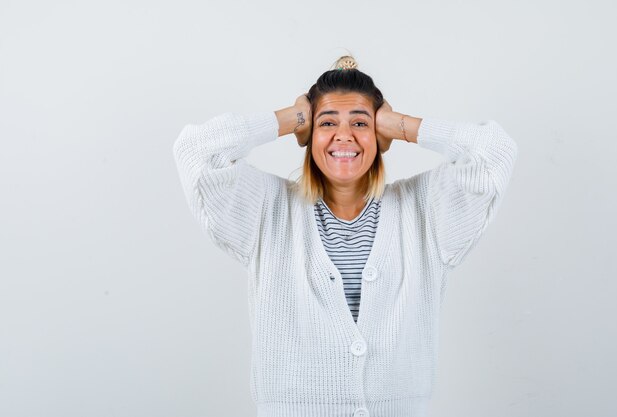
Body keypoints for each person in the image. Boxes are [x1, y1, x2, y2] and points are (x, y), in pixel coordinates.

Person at [172, 55, 518, 417]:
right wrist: (295, 118)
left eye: (360, 123)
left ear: (379, 135)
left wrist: (397, 124)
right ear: (308, 135)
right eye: (327, 122)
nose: (344, 135)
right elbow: (196, 151)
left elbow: (494, 152)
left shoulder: (425, 210)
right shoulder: (266, 209)